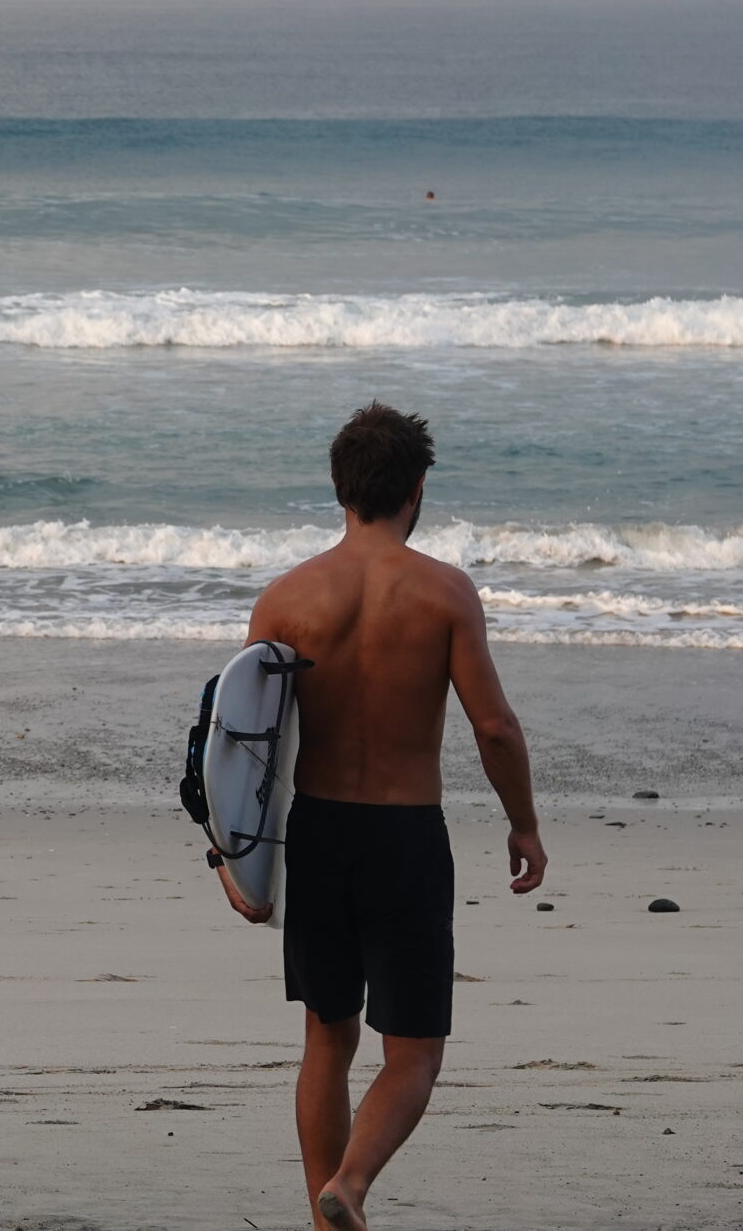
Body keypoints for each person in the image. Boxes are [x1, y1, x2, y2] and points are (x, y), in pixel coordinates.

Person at [223, 402, 546, 1231]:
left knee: (327, 1040)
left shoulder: (285, 599)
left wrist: (235, 860)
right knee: (414, 1052)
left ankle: (322, 1211)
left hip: (319, 835)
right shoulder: (444, 592)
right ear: (418, 486)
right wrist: (524, 823)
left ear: (341, 489)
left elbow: (240, 747)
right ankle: (354, 1183)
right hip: (404, 836)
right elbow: (494, 725)